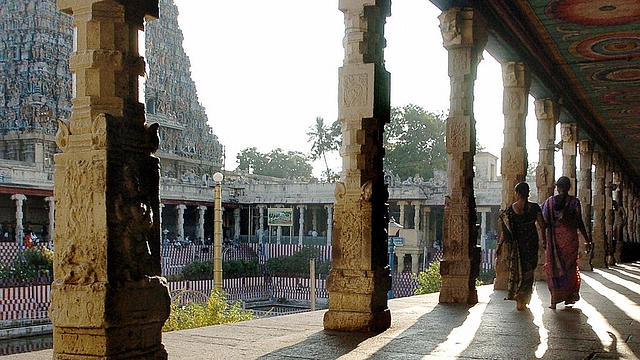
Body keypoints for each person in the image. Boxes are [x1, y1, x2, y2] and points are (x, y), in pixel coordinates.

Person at [542, 176, 593, 309]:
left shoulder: (549, 203)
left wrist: (543, 238)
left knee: (554, 267)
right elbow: (579, 222)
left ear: (557, 188)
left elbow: (543, 222)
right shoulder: (574, 202)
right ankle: (569, 295)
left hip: (554, 240)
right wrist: (587, 240)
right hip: (570, 239)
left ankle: (554, 298)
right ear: (569, 187)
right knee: (569, 268)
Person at [497, 182, 546, 311]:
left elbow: (506, 230)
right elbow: (542, 226)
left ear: (517, 193)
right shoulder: (535, 208)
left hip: (517, 244)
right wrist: (545, 240)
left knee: (517, 269)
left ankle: (517, 294)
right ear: (528, 193)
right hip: (531, 243)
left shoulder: (510, 210)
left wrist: (499, 245)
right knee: (529, 271)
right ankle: (523, 297)